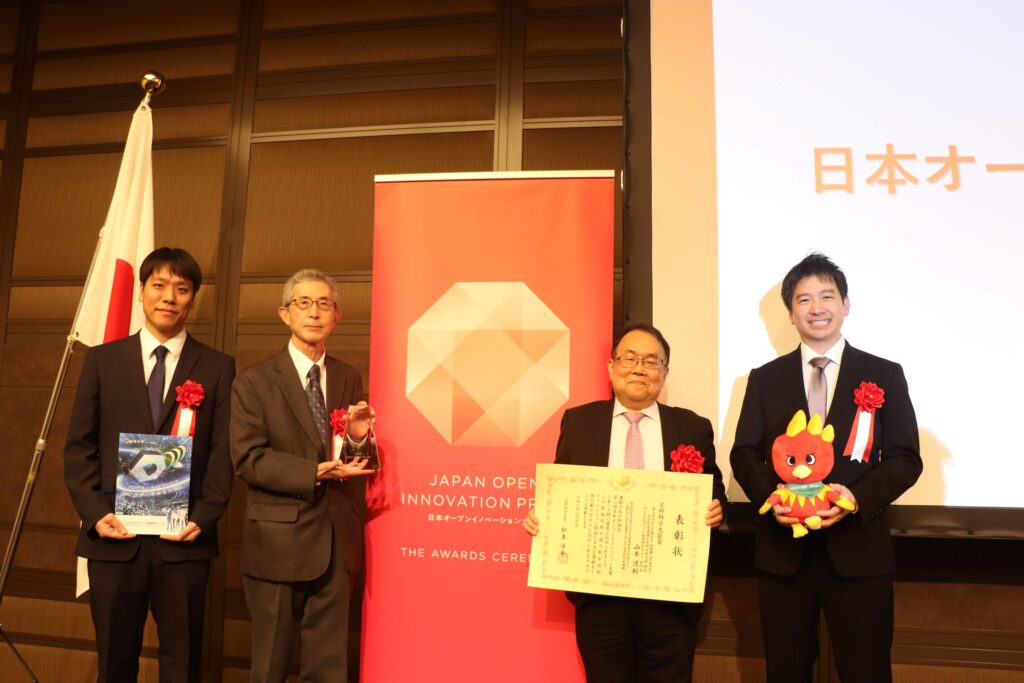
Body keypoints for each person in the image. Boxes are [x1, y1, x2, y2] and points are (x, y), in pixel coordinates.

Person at [730, 253, 922, 683]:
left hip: (859, 553)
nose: (816, 308)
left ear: (846, 305)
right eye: (804, 299)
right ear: (790, 313)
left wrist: (856, 498)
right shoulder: (764, 378)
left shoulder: (884, 374)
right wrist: (772, 499)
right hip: (784, 555)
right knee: (786, 673)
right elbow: (743, 452)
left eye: (827, 296)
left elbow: (904, 458)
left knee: (866, 672)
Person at [64, 247, 236, 683]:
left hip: (184, 539)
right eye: (159, 285)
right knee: (114, 662)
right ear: (141, 291)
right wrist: (95, 512)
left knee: (183, 664)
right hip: (114, 534)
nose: (169, 297)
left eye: (182, 288)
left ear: (193, 298)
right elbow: (80, 446)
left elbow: (222, 453)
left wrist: (204, 517)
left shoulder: (217, 367)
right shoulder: (103, 359)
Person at [524, 323, 725, 683]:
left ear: (665, 372)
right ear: (611, 366)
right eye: (629, 358)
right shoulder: (580, 422)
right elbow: (562, 490)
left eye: (651, 361)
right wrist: (544, 517)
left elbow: (714, 490)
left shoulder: (692, 427)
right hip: (599, 598)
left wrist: (716, 508)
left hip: (669, 600)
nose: (638, 369)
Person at [230, 268, 376, 683]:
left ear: (337, 316)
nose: (314, 312)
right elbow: (248, 458)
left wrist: (360, 438)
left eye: (324, 304)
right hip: (277, 542)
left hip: (335, 539)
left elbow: (351, 455)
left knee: (328, 669)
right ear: (285, 314)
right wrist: (311, 471)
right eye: (304, 303)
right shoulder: (254, 381)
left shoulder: (348, 376)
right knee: (269, 668)